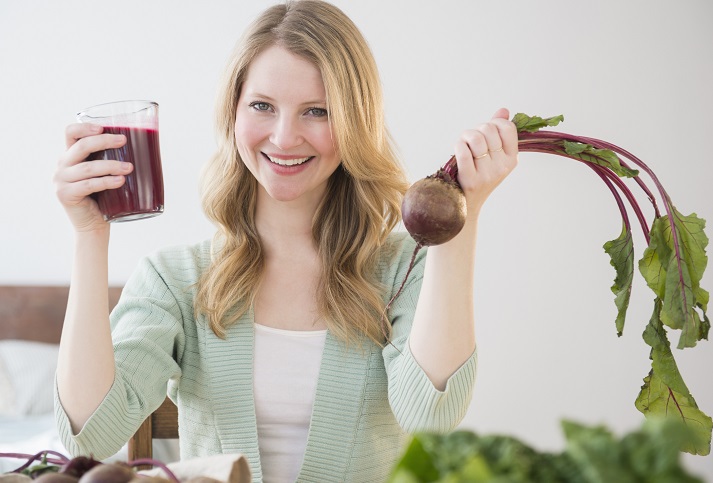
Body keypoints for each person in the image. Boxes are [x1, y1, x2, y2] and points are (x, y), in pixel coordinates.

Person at [52, 1, 518, 481]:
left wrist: (461, 216)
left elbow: (432, 417)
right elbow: (90, 433)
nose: (284, 136)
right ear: (232, 112)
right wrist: (89, 235)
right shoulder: (175, 280)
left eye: (317, 111)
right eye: (262, 106)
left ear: (356, 122)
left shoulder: (405, 268)